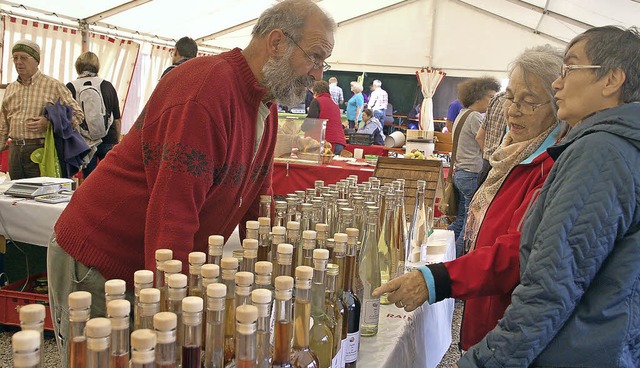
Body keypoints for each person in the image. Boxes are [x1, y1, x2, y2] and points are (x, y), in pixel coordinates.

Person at [47, 0, 335, 365]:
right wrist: (178, 315)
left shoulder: (266, 106)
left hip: (146, 264)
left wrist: (279, 288)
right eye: (314, 57)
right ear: (277, 42)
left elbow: (258, 208)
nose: (318, 73)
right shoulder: (205, 88)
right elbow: (173, 215)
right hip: (99, 259)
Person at [456, 26, 640, 367]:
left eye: (570, 68)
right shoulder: (611, 145)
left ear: (612, 80)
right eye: (512, 98)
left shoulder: (601, 151)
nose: (559, 83)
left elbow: (552, 284)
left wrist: (484, 361)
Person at [373, 45, 565, 352]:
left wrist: (437, 279)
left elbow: (514, 255)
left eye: (529, 102)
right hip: (485, 313)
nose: (513, 110)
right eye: (510, 98)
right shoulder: (512, 156)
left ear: (559, 107)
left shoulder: (549, 167)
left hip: (508, 327)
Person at [0, 39, 83, 180]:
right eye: (15, 58)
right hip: (14, 150)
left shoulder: (53, 85)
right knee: (15, 196)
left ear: (37, 61)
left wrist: (50, 123)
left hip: (41, 150)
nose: (18, 62)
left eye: (24, 58)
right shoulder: (11, 88)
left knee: (40, 196)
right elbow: (3, 125)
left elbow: (78, 115)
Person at [448, 77, 500, 257]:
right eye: (491, 98)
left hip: (461, 173)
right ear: (478, 97)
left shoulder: (462, 114)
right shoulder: (476, 118)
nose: (493, 102)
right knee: (469, 225)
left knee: (461, 219)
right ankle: (455, 260)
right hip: (471, 175)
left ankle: (442, 249)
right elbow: (482, 139)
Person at [67, 51, 122, 179]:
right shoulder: (107, 86)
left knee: (89, 181)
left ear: (78, 66)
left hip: (84, 142)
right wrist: (116, 141)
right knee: (109, 178)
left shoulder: (70, 87)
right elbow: (117, 118)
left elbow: (67, 119)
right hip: (108, 139)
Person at [475, 92, 507, 186]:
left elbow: (479, 137)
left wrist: (488, 155)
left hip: (487, 163)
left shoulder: (497, 98)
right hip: (505, 167)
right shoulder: (474, 116)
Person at [307, 80, 346, 154]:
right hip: (339, 140)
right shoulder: (334, 103)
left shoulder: (317, 101)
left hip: (327, 141)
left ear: (315, 91)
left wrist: (303, 127)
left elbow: (311, 120)